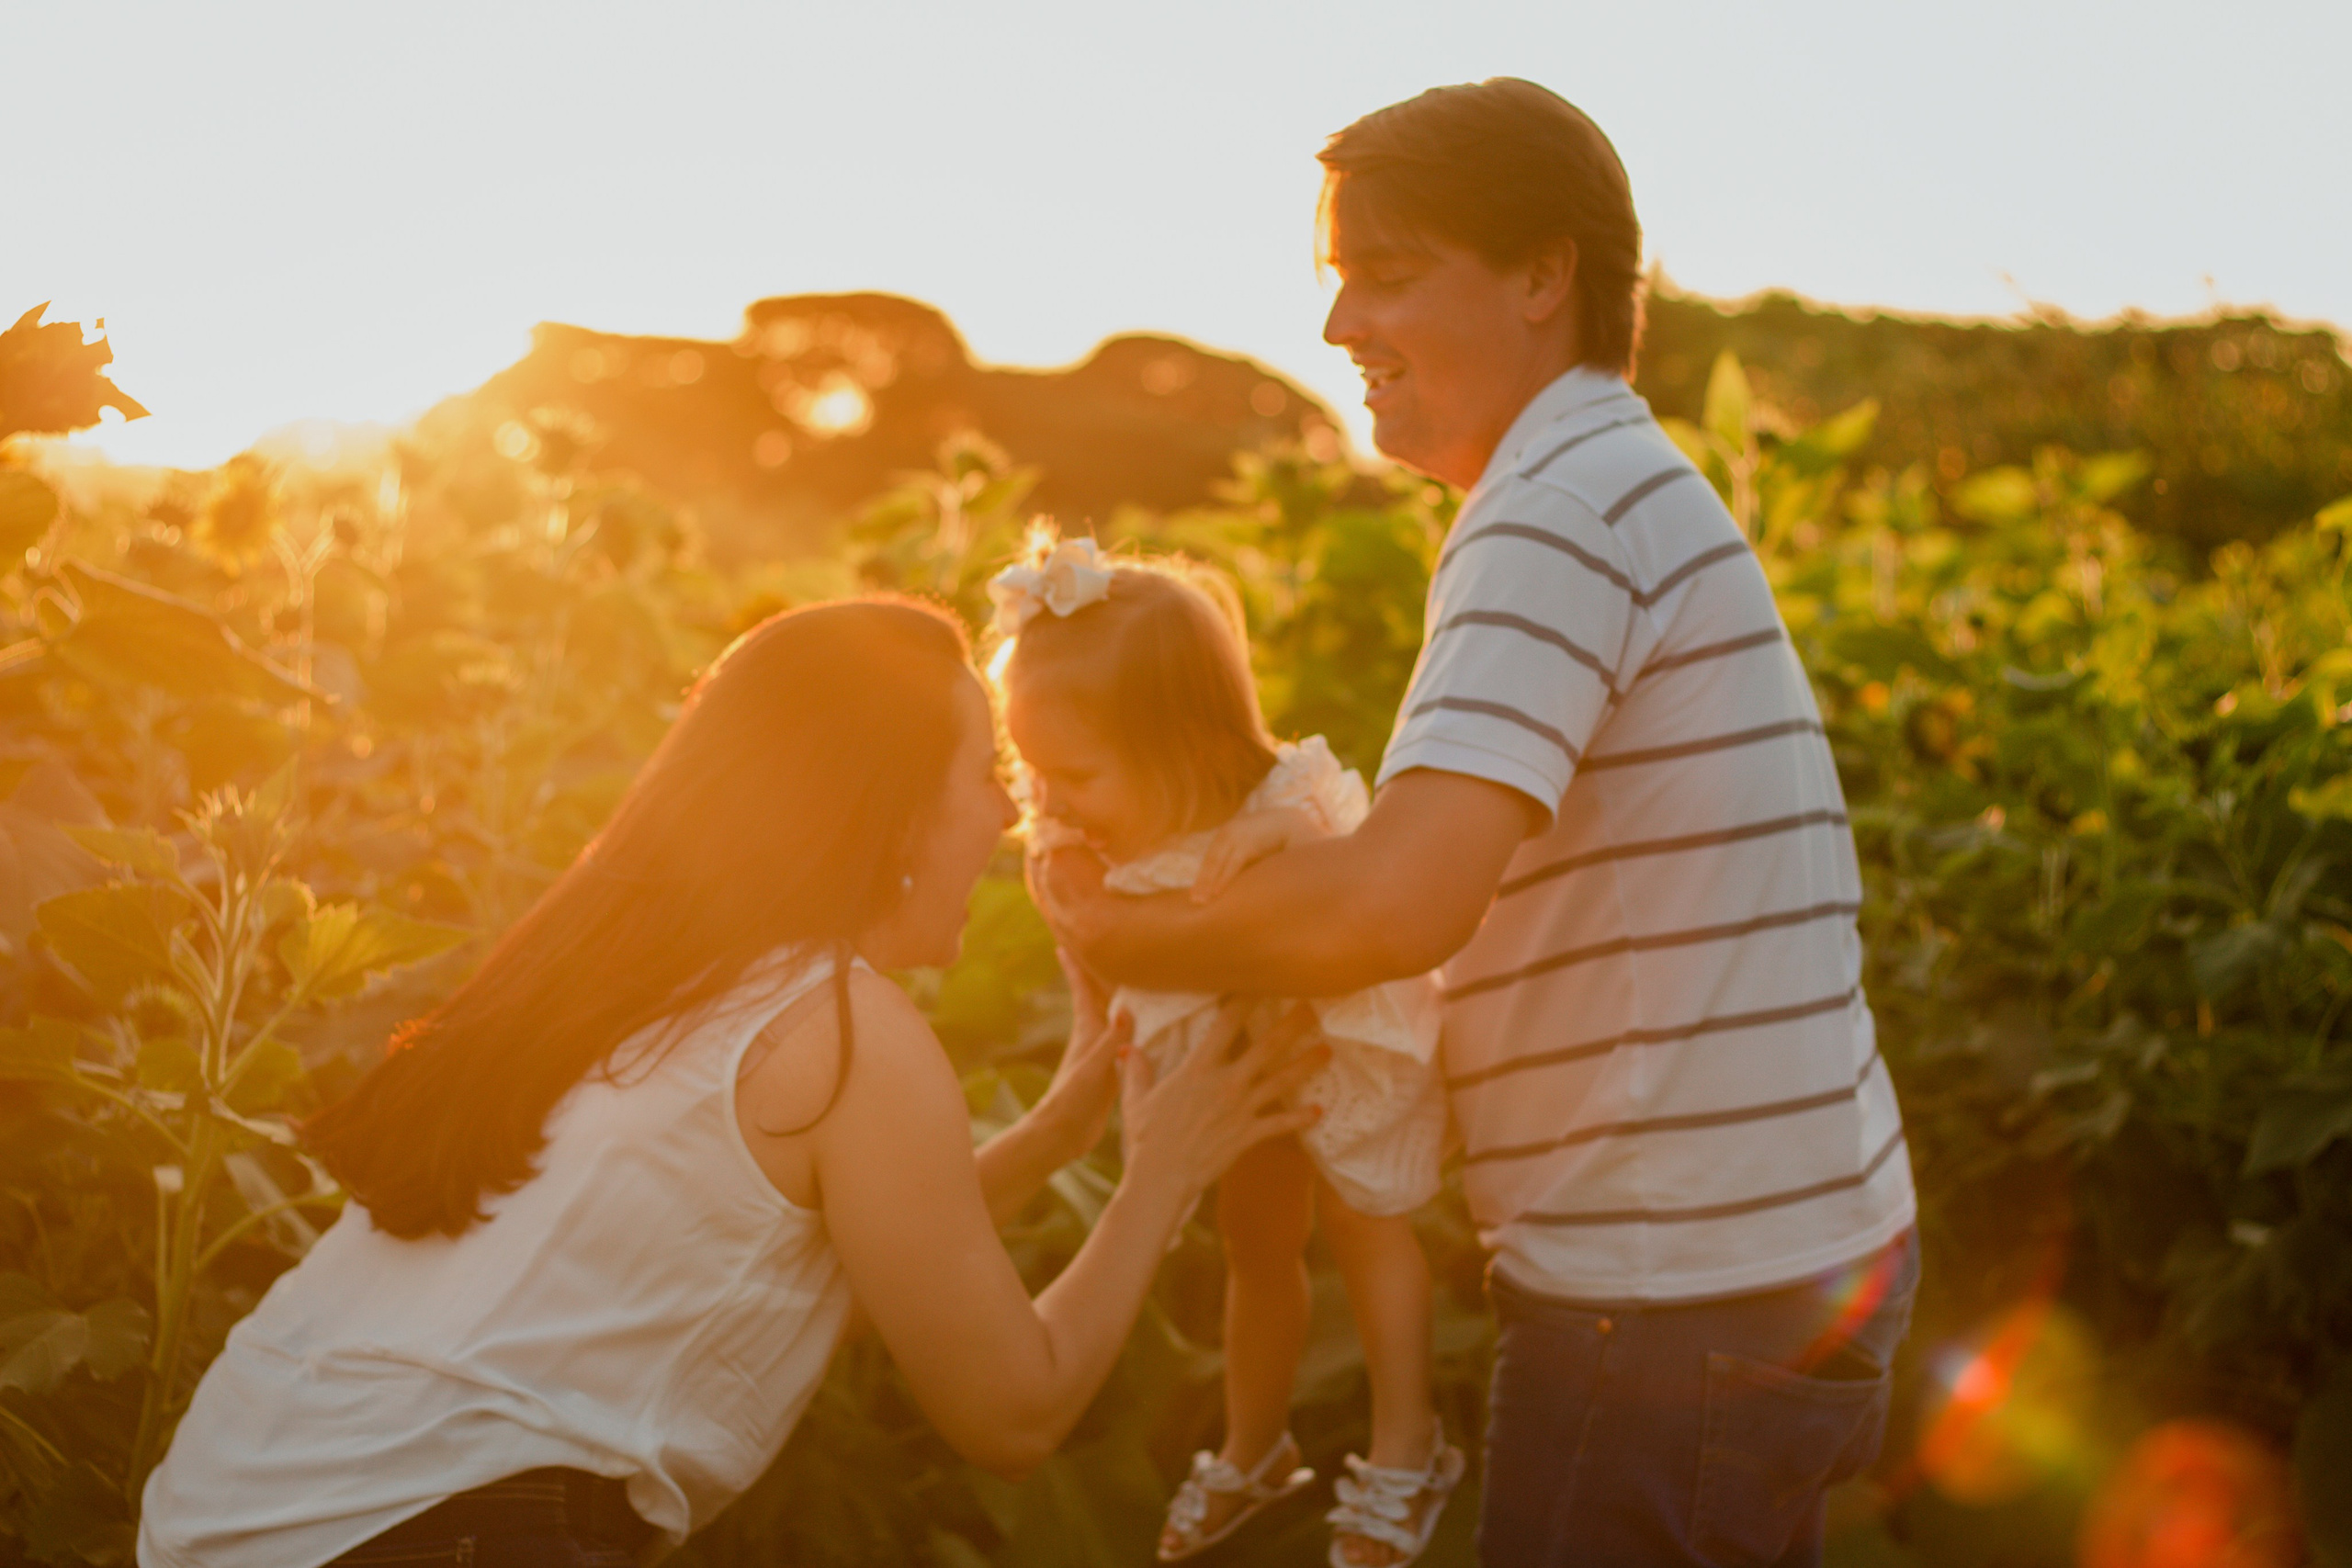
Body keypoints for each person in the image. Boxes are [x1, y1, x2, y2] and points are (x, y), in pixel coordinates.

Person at [1036, 79, 1920, 1568]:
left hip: (1671, 1285)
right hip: (1771, 1245)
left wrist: (1127, 922)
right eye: (1333, 279)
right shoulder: (1609, 481)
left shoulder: (1554, 508)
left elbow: (1398, 903)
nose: (1336, 328)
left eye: (1385, 273)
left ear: (1540, 273)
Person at [136, 598, 1325, 1568]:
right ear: (896, 808)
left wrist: (1066, 1127)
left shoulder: (635, 971)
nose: (1011, 819)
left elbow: (826, 1270)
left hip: (233, 1513)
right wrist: (1165, 1170)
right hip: (437, 1533)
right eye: (986, 774)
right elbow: (1011, 1410)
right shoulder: (844, 1024)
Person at [989, 531, 1460, 1568]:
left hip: (1332, 1039)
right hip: (1230, 1067)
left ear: (1193, 750)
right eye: (1030, 769)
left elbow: (1358, 861)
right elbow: (1075, 912)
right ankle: (1254, 1448)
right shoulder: (1083, 837)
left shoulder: (1277, 800)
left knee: (1365, 1222)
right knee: (1255, 1246)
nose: (1048, 802)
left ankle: (1405, 1446)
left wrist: (1290, 842)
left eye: (1072, 774)